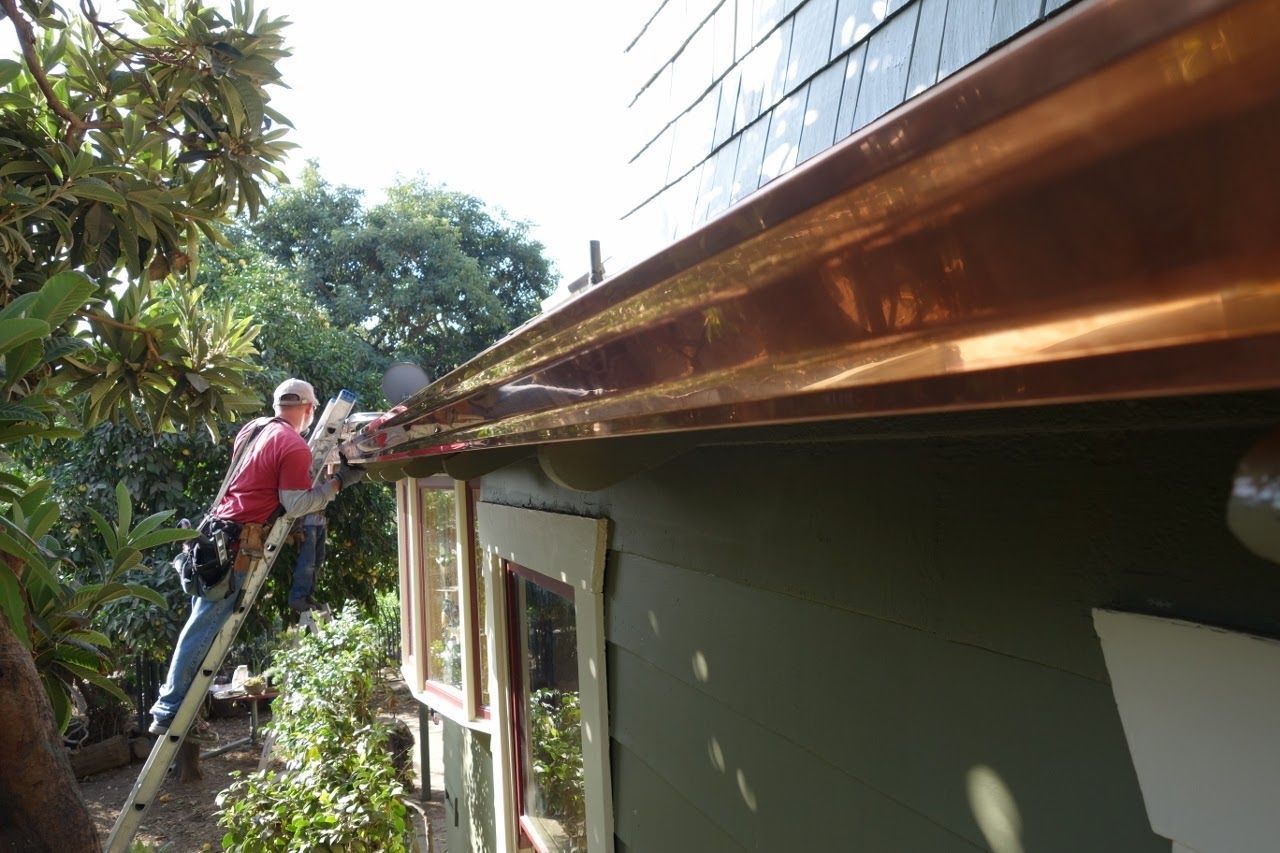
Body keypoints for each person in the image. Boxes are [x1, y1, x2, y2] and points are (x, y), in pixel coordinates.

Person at [148, 378, 365, 735]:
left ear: (277, 404)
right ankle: (169, 710)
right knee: (203, 627)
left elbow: (260, 481)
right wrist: (336, 485)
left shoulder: (254, 429)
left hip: (214, 535)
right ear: (310, 409)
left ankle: (171, 706)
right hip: (235, 546)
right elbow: (294, 504)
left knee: (198, 624)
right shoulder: (293, 445)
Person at [288, 511, 327, 612]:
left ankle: (307, 595)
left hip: (320, 520)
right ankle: (297, 597)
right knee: (307, 562)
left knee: (318, 559)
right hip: (306, 521)